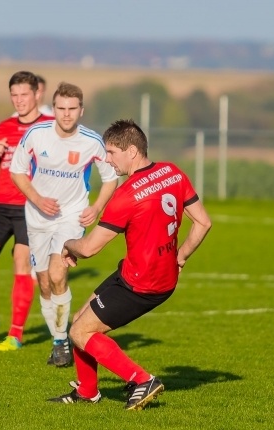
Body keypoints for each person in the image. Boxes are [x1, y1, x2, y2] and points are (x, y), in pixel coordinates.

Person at [49, 119, 212, 409]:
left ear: (132, 151)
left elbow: (89, 248)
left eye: (112, 152)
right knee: (80, 320)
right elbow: (203, 222)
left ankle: (142, 379)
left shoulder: (125, 196)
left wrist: (66, 244)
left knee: (81, 332)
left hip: (141, 283)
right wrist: (181, 257)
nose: (107, 159)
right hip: (147, 274)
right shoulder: (172, 172)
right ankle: (87, 392)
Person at [10, 82, 119, 367]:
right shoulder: (36, 135)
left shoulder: (91, 141)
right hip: (36, 218)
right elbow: (17, 171)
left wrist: (96, 208)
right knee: (44, 282)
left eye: (72, 109)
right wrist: (37, 198)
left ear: (81, 111)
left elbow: (110, 177)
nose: (66, 114)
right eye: (61, 108)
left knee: (58, 273)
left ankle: (62, 344)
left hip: (71, 216)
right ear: (54, 109)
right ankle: (58, 338)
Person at [0, 71, 53, 351]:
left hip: (30, 207)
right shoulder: (4, 126)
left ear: (37, 94)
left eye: (24, 95)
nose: (19, 100)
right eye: (14, 95)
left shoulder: (51, 127)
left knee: (21, 262)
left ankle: (15, 335)